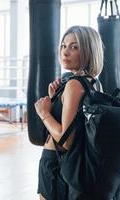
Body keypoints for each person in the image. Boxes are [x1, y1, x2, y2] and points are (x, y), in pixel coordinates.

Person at [34, 25, 104, 200]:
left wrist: (44, 113)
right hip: (72, 165)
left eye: (74, 47)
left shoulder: (74, 84)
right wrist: (56, 99)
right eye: (64, 46)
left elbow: (66, 141)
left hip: (56, 163)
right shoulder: (94, 83)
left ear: (89, 50)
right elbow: (77, 124)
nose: (65, 52)